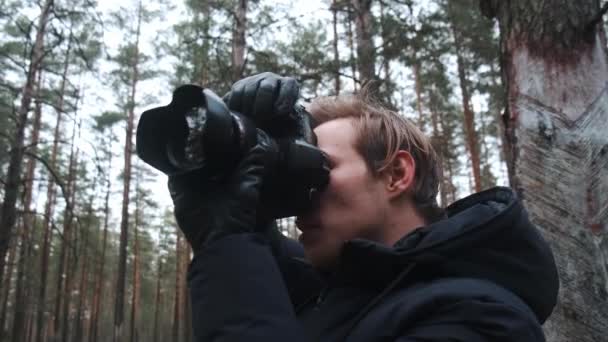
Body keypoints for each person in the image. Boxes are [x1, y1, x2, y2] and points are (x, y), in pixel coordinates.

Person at [168, 73, 559, 341]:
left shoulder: (482, 319)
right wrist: (233, 221)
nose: (302, 193)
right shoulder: (329, 295)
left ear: (396, 174)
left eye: (318, 169)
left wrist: (230, 247)